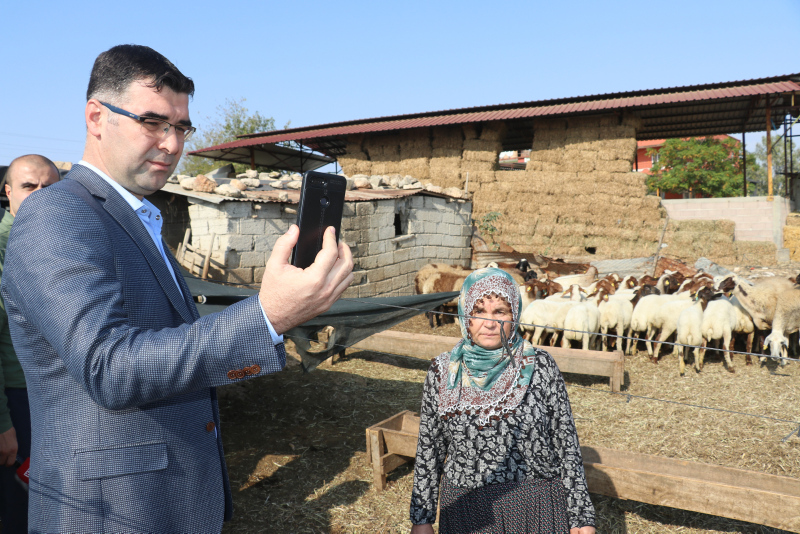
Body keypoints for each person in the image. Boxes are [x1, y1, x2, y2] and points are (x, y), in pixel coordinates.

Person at [0, 44, 353, 533]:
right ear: (96, 117)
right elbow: (110, 367)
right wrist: (268, 315)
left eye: (182, 127)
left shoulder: (136, 216)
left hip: (165, 500)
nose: (171, 144)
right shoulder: (56, 212)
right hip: (112, 512)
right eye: (152, 122)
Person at [409, 268, 596, 534]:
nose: (489, 322)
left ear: (514, 314)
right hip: (467, 512)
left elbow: (566, 444)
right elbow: (430, 448)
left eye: (500, 312)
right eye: (478, 311)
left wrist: (582, 517)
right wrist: (422, 518)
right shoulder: (444, 371)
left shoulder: (541, 366)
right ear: (464, 314)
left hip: (536, 509)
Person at [0, 154, 60, 533]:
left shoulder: (62, 244)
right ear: (7, 192)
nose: (39, 194)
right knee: (22, 506)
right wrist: (2, 422)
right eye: (28, 186)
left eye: (48, 187)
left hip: (59, 393)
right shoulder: (3, 249)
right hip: (17, 399)